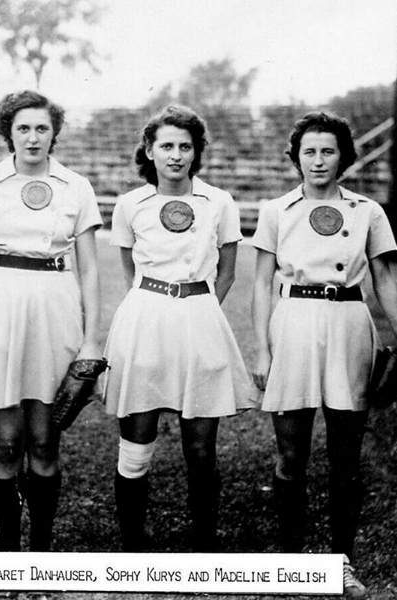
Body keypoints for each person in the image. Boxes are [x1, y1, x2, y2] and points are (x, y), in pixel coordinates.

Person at [251, 111, 397, 598]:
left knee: (346, 457)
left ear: (344, 156)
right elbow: (260, 283)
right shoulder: (278, 209)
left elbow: (382, 278)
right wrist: (261, 349)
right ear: (296, 157)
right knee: (291, 453)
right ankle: (292, 563)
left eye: (328, 151)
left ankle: (342, 562)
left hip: (347, 323)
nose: (318, 161)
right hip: (294, 321)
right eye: (309, 152)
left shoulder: (367, 210)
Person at [0, 90, 102, 551]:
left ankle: (40, 548)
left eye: (41, 128)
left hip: (55, 305)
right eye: (23, 128)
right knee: (6, 444)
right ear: (8, 133)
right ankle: (8, 550)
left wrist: (92, 339)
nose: (33, 137)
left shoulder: (75, 186)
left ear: (54, 132)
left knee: (44, 441)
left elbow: (91, 268)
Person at [103, 105, 255, 553]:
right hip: (145, 318)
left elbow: (227, 272)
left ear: (196, 152)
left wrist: (198, 310)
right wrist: (160, 303)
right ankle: (132, 548)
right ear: (148, 151)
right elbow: (130, 269)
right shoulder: (131, 204)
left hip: (199, 317)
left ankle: (203, 547)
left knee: (201, 447)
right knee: (137, 439)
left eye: (184, 147)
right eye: (166, 146)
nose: (175, 155)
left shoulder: (219, 202)